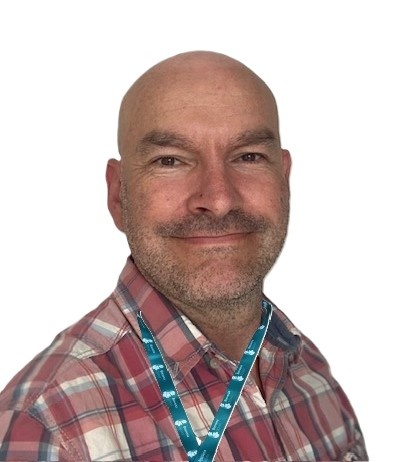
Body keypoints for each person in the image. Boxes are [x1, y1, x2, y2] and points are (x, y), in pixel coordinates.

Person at [0, 51, 368, 461]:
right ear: (119, 195)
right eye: (170, 160)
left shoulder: (307, 369)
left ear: (284, 180)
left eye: (248, 156)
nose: (219, 199)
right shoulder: (45, 429)